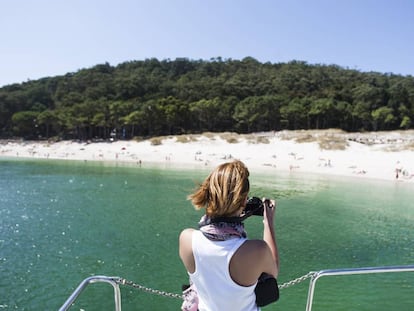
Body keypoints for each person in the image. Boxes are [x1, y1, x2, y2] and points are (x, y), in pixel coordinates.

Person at [179, 160, 279, 311]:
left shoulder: (187, 239)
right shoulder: (257, 250)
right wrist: (268, 222)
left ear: (209, 194)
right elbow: (273, 273)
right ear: (244, 201)